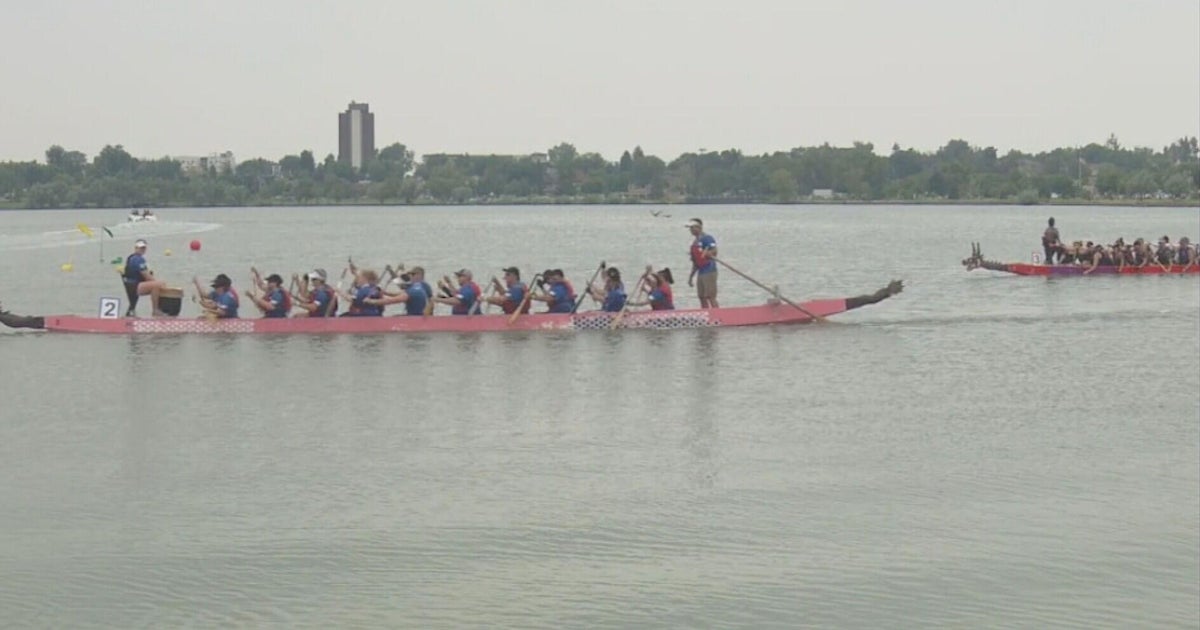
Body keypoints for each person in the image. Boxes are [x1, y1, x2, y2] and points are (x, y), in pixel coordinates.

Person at [122, 239, 169, 317]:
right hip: (134, 286)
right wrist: (161, 285)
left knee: (158, 284)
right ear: (136, 248)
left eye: (143, 248)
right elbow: (147, 277)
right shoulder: (138, 259)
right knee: (157, 285)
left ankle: (157, 309)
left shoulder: (133, 257)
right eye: (140, 248)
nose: (142, 250)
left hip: (131, 285)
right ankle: (155, 310)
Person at [686, 218, 719, 308]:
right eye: (690, 228)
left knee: (710, 296)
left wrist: (708, 253)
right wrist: (691, 277)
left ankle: (717, 313)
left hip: (709, 270)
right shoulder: (695, 242)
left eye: (693, 228)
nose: (691, 230)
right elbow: (695, 262)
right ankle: (706, 313)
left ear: (699, 227)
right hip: (701, 271)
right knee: (701, 296)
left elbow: (714, 250)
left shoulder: (707, 238)